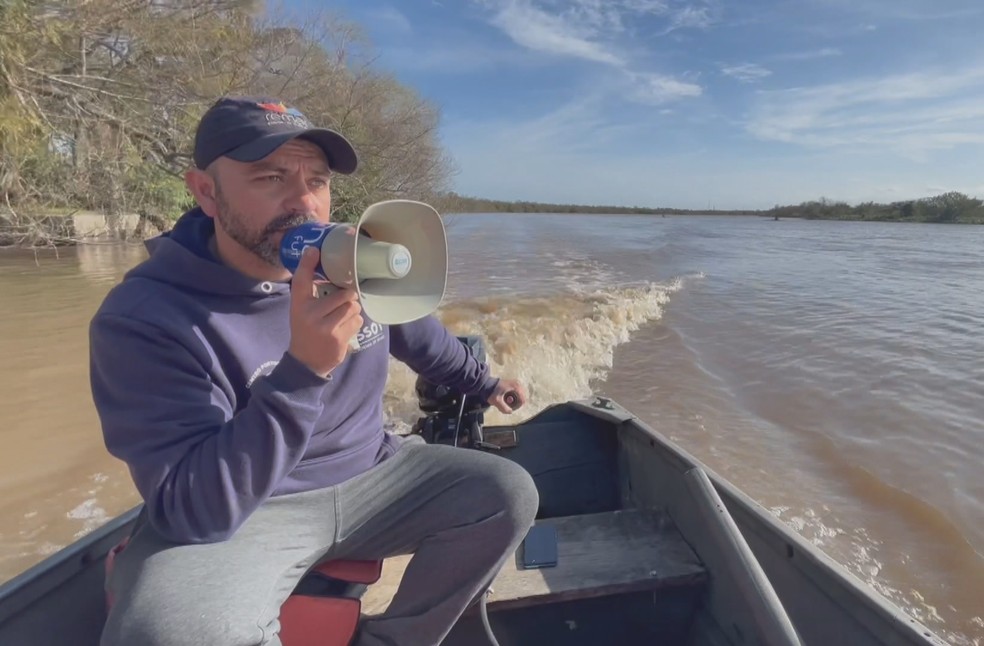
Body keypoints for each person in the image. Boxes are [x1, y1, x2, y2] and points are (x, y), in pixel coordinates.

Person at [90, 95, 539, 646]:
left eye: (318, 181)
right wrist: (302, 371)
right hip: (255, 509)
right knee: (168, 632)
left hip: (375, 477)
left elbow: (425, 341)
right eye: (270, 178)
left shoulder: (351, 264)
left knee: (506, 493)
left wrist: (488, 383)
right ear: (206, 191)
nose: (302, 202)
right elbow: (194, 512)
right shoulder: (146, 318)